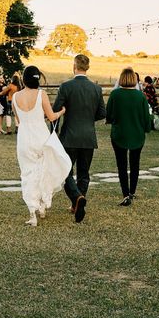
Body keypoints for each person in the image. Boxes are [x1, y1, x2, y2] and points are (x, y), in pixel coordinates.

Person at [53, 54, 106, 223]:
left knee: (64, 172)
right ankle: (78, 203)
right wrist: (88, 119)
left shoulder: (66, 86)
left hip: (69, 136)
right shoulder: (96, 89)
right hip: (88, 137)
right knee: (84, 173)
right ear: (87, 67)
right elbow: (102, 113)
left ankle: (77, 198)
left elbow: (55, 110)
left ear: (74, 66)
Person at [12, 66, 67, 226]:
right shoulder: (41, 94)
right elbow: (51, 117)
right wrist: (62, 112)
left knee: (28, 174)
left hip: (24, 138)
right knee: (44, 171)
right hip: (40, 137)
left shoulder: (15, 97)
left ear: (24, 79)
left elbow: (18, 120)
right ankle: (42, 206)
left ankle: (32, 214)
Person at [106, 67, 152, 206]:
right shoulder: (140, 96)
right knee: (135, 163)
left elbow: (109, 115)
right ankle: (132, 191)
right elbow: (146, 118)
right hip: (137, 135)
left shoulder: (115, 95)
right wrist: (146, 128)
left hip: (119, 134)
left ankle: (125, 194)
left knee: (122, 165)